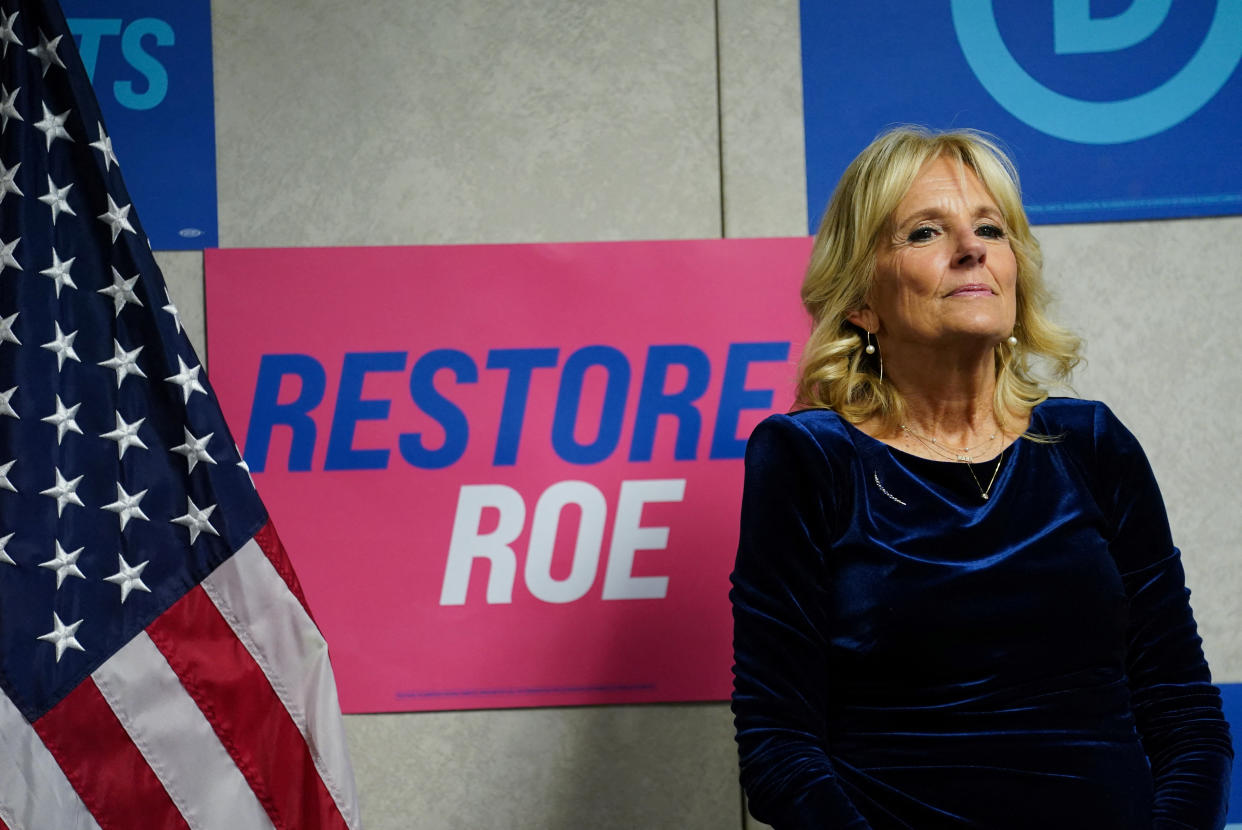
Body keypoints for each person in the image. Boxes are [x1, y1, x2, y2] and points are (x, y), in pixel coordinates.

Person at [729, 126, 1233, 828]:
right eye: (925, 232)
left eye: (990, 229)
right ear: (861, 299)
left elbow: (1185, 715)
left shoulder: (1093, 445)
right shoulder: (808, 459)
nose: (972, 248)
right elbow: (779, 749)